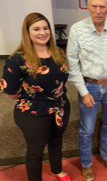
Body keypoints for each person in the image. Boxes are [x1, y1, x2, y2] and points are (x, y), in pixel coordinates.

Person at [0, 13, 71, 181]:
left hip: (60, 106)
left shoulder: (58, 52)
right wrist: (31, 99)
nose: (43, 32)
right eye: (36, 29)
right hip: (33, 112)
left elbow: (61, 79)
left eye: (45, 28)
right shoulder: (17, 59)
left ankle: (57, 169)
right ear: (27, 32)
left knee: (56, 140)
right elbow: (9, 91)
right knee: (35, 151)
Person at [67, 0, 107, 180]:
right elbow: (72, 63)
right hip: (89, 86)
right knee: (87, 128)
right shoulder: (77, 29)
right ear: (88, 7)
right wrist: (83, 92)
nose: (98, 10)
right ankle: (86, 163)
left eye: (102, 6)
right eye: (94, 6)